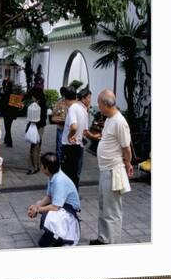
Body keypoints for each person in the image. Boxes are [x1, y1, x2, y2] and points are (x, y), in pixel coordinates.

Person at [90, 89, 134, 245]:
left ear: (105, 104)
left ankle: (112, 243)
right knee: (103, 208)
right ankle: (104, 238)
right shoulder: (109, 119)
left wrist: (128, 163)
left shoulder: (120, 122)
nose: (97, 106)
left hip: (113, 170)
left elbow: (126, 148)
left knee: (112, 211)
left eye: (99, 102)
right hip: (105, 170)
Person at [27, 152, 81, 247]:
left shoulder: (59, 181)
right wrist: (36, 206)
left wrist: (37, 209)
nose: (41, 166)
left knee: (48, 214)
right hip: (62, 205)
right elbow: (49, 196)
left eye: (42, 164)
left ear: (46, 168)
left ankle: (57, 236)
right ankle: (53, 233)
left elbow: (55, 207)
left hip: (69, 210)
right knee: (40, 204)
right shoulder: (53, 175)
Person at [61, 87, 100, 190]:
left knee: (67, 174)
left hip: (70, 146)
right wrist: (93, 136)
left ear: (65, 98)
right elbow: (85, 131)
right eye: (89, 98)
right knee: (74, 173)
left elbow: (74, 127)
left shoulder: (73, 108)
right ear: (82, 98)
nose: (90, 100)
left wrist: (70, 136)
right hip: (78, 147)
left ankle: (69, 198)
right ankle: (74, 195)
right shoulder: (83, 110)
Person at [50, 86, 76, 161]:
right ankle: (59, 163)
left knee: (64, 147)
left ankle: (63, 161)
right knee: (59, 147)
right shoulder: (59, 102)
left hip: (68, 128)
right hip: (61, 128)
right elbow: (53, 115)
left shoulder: (72, 103)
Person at [26, 87, 47, 174]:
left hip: (37, 127)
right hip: (40, 127)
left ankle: (33, 168)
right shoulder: (40, 103)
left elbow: (40, 118)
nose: (32, 98)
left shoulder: (39, 105)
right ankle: (37, 166)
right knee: (37, 147)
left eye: (33, 96)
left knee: (34, 148)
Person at [0, 79, 20, 147]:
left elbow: (1, 104)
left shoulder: (5, 94)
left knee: (7, 128)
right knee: (8, 127)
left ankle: (9, 142)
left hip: (6, 114)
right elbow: (17, 107)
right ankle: (6, 140)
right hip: (11, 114)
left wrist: (0, 112)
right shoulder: (14, 95)